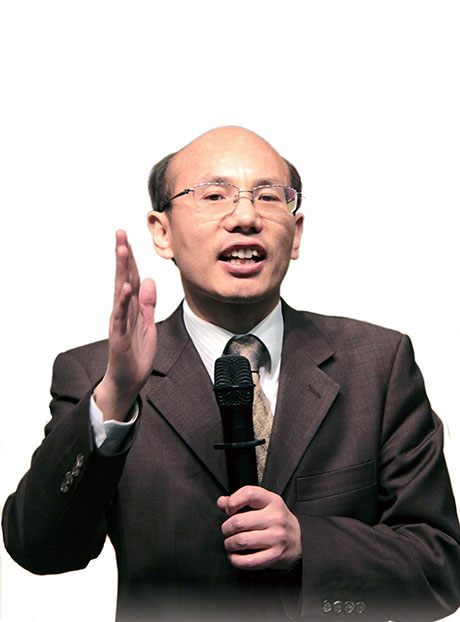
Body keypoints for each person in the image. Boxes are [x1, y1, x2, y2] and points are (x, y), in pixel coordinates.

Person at [2, 126, 460, 622]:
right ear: (162, 232)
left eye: (268, 196)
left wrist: (309, 544)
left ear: (296, 233)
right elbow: (41, 549)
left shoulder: (377, 364)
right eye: (213, 195)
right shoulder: (96, 376)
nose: (245, 217)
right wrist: (115, 397)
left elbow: (441, 569)